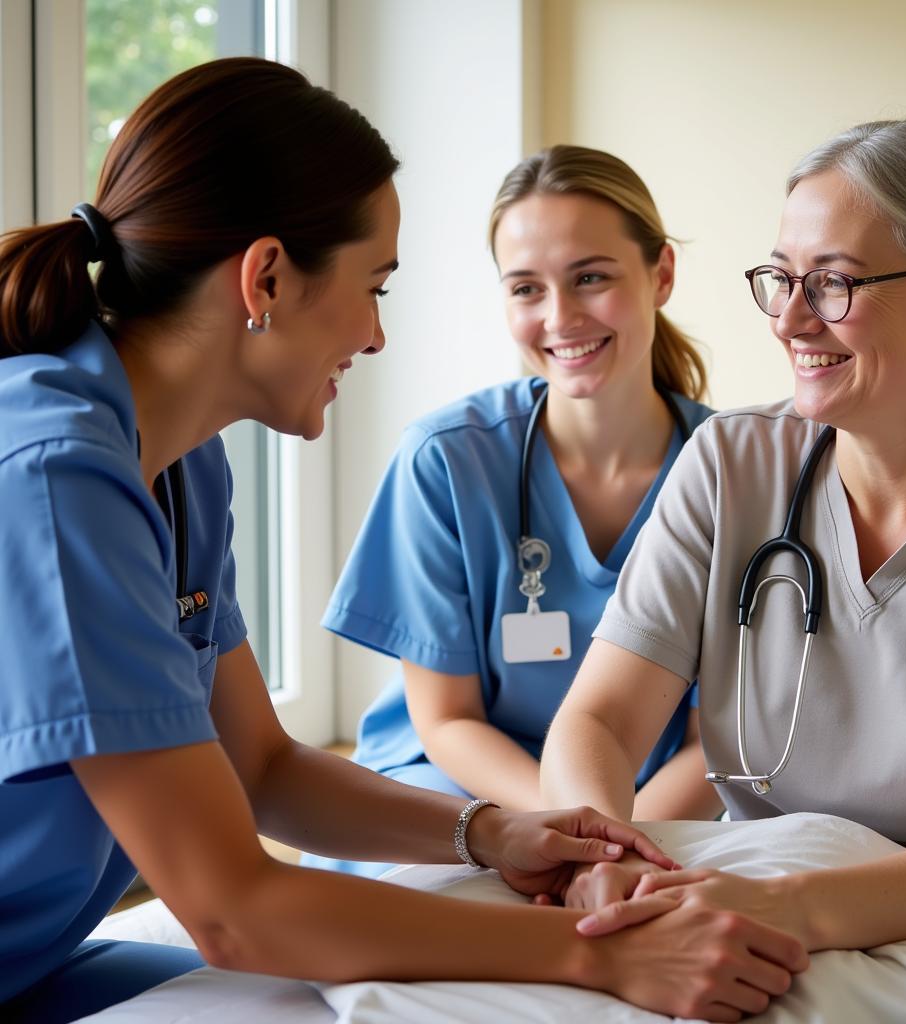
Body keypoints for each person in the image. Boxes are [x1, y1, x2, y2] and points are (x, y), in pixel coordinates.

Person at [0, 58, 807, 1024]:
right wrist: (600, 961)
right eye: (373, 285)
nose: (378, 335)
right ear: (264, 278)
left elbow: (259, 766)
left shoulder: (180, 466)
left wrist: (493, 832)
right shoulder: (53, 476)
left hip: (36, 959)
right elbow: (230, 910)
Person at [540, 115, 906, 957]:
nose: (790, 321)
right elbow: (603, 723)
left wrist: (775, 907)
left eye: (833, 284)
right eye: (780, 279)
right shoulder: (732, 464)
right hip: (738, 891)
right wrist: (603, 857)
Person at [302, 145, 723, 882]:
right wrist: (574, 835)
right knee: (438, 923)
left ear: (661, 275)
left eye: (591, 278)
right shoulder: (447, 458)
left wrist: (619, 845)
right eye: (526, 288)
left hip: (658, 803)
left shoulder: (735, 473)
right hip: (466, 791)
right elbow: (446, 720)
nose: (560, 317)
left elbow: (714, 739)